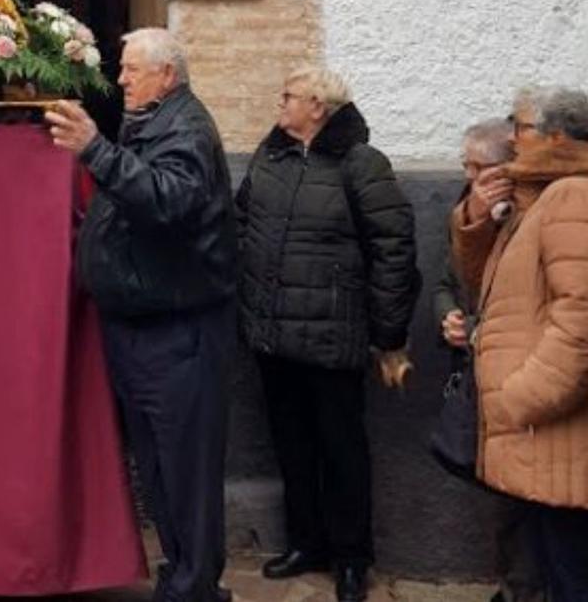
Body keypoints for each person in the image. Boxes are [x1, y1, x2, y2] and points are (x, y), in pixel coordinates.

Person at [46, 27, 236, 602]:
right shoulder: (154, 121)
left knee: (185, 473)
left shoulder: (187, 129)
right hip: (144, 327)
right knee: (158, 469)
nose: (121, 79)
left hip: (179, 333)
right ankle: (181, 579)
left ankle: (194, 589)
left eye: (131, 69)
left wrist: (95, 150)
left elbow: (167, 202)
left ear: (167, 76)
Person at [235, 67, 419, 602]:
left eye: (289, 95)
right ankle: (306, 542)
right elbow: (244, 219)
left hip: (333, 336)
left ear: (318, 106)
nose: (280, 102)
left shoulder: (363, 164)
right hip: (274, 332)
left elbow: (394, 251)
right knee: (291, 445)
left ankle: (351, 557)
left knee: (341, 450)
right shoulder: (272, 155)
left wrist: (389, 335)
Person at [451, 87, 588, 602]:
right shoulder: (538, 193)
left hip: (551, 424)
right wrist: (481, 221)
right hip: (535, 432)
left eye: (522, 126)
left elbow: (581, 320)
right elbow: (490, 288)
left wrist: (518, 399)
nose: (512, 136)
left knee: (569, 572)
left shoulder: (572, 195)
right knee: (545, 565)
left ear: (556, 137)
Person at [433, 119, 544, 602]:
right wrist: (449, 316)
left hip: (526, 378)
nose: (470, 175)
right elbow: (444, 281)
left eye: (481, 167)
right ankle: (514, 584)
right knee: (500, 499)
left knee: (532, 504)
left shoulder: (538, 215)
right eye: (466, 166)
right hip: (480, 375)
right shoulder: (467, 209)